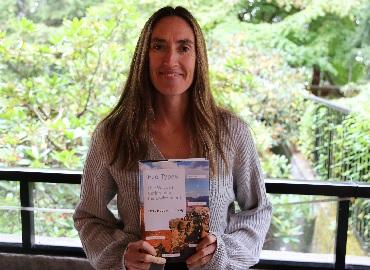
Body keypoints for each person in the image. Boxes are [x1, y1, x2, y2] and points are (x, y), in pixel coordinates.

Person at [73, 6, 272, 270]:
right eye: (158, 46)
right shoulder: (113, 134)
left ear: (198, 57)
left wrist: (221, 253)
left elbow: (257, 212)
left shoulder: (231, 133)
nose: (170, 60)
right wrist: (121, 256)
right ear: (144, 56)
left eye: (183, 47)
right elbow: (89, 216)